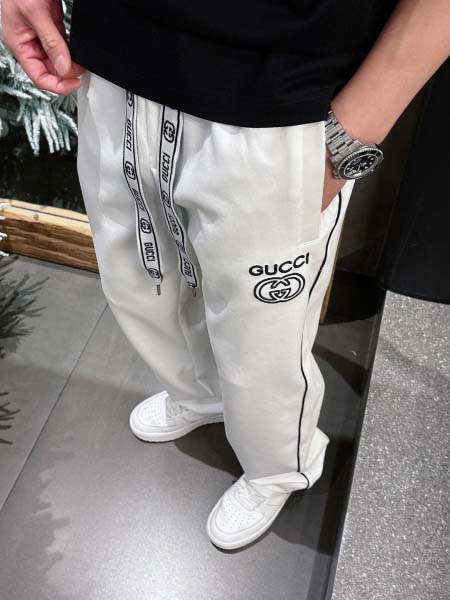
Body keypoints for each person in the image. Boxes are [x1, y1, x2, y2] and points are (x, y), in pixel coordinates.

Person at [2, 0, 449, 551]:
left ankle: (278, 466)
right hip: (112, 61)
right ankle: (198, 394)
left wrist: (351, 134)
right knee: (141, 282)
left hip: (280, 95)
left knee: (262, 336)